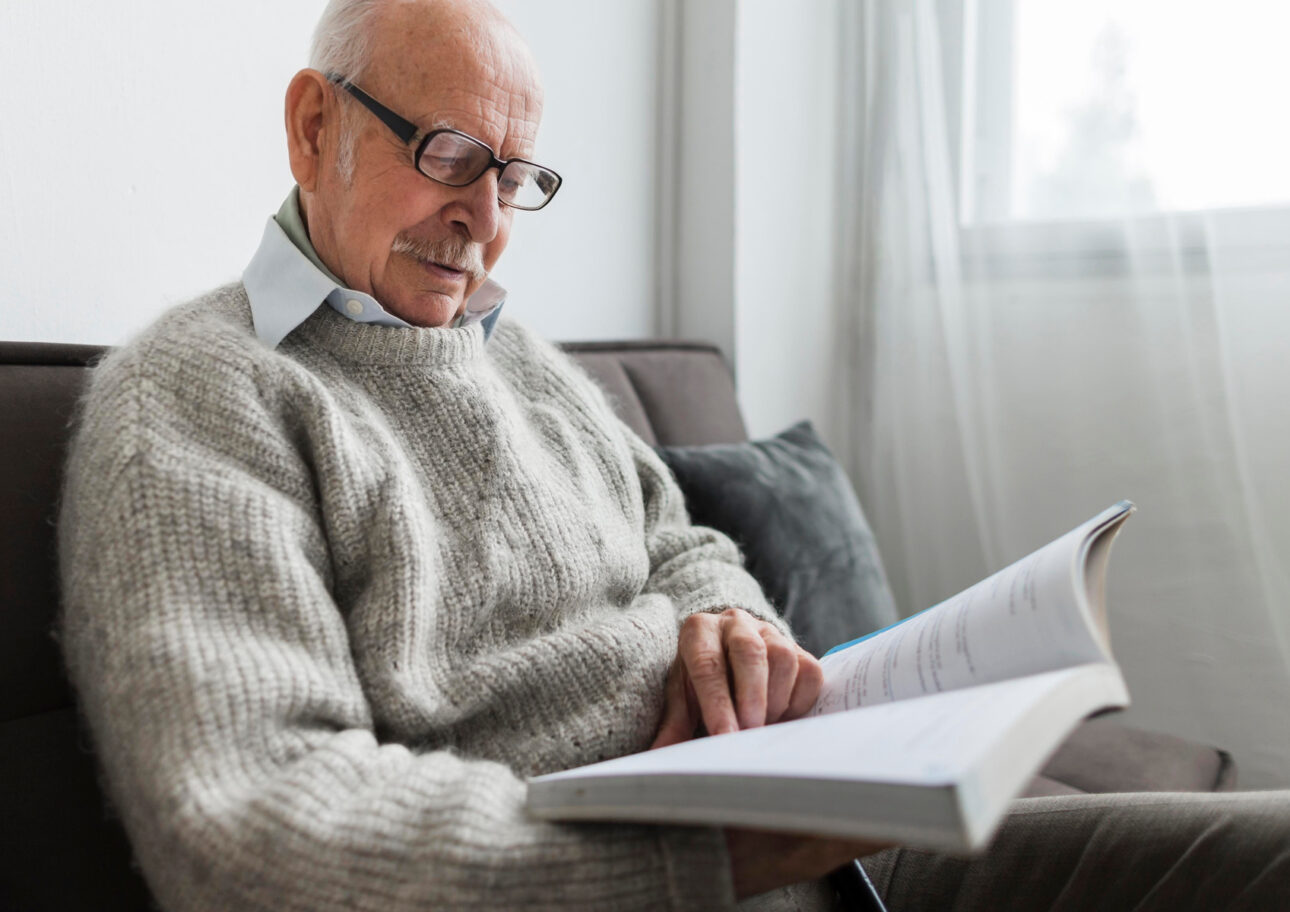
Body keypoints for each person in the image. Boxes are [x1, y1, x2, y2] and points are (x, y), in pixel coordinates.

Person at [58, 1, 1290, 910]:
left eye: (515, 175)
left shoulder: (525, 362)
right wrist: (701, 858)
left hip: (844, 852)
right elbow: (249, 823)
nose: (483, 221)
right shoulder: (200, 394)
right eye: (445, 154)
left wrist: (729, 626)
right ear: (312, 124)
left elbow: (684, 544)